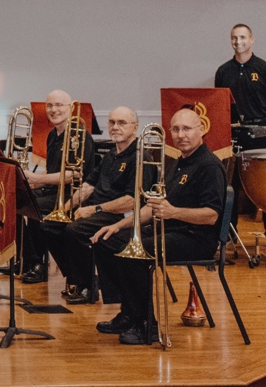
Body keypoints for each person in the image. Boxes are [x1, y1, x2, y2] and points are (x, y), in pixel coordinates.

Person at [92, 107, 224, 345]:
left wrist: (174, 212)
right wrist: (120, 226)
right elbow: (152, 207)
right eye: (175, 129)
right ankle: (129, 313)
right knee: (107, 241)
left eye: (186, 128)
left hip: (195, 238)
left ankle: (147, 326)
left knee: (134, 256)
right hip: (168, 230)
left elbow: (212, 215)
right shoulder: (177, 163)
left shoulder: (209, 165)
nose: (181, 134)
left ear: (201, 130)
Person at [42, 106, 146, 305]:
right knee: (50, 224)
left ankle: (87, 286)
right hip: (97, 208)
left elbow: (130, 201)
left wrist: (94, 209)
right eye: (112, 122)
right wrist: (62, 210)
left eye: (122, 123)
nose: (115, 127)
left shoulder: (140, 157)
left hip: (120, 215)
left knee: (75, 230)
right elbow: (89, 185)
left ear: (135, 127)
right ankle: (77, 277)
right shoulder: (111, 155)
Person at [216, 23, 266, 245]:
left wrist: (262, 125)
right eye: (234, 38)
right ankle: (228, 234)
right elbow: (219, 105)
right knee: (229, 186)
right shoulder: (223, 71)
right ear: (230, 40)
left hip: (261, 135)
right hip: (233, 135)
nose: (238, 42)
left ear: (252, 39)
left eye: (243, 37)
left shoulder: (265, 70)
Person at [19, 90, 96, 283]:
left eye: (59, 105)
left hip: (74, 194)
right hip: (53, 191)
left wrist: (38, 179)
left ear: (70, 108)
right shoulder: (52, 135)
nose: (54, 110)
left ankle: (36, 263)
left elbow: (76, 175)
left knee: (32, 209)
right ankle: (29, 261)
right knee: (15, 201)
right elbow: (54, 171)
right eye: (50, 106)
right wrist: (32, 182)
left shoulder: (80, 135)